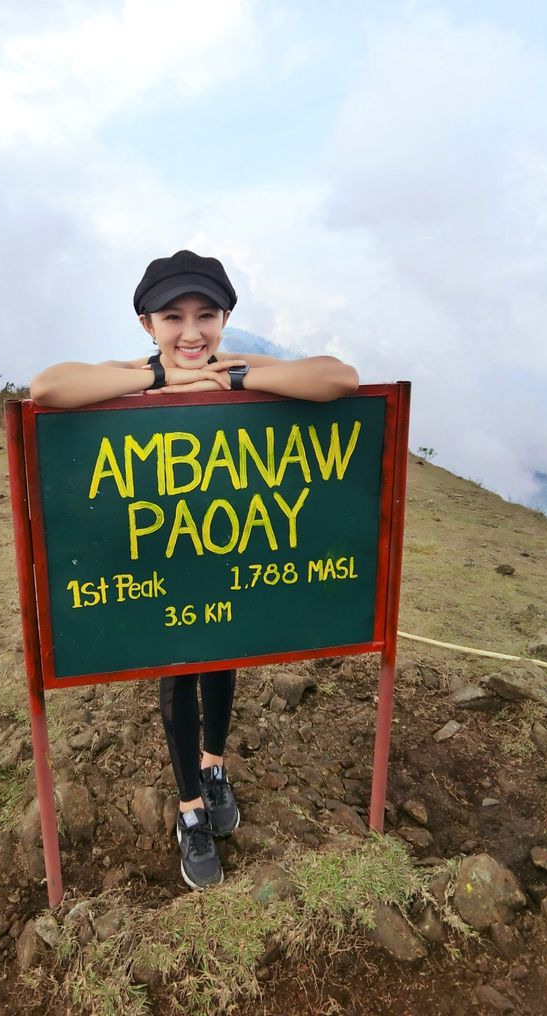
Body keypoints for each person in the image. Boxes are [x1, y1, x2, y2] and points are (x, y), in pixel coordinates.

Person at [30, 250, 359, 890]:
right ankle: (189, 807)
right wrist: (155, 382)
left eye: (205, 315)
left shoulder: (236, 364)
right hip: (161, 552)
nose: (191, 332)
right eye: (172, 316)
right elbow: (48, 388)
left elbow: (339, 378)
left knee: (221, 654)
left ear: (226, 316)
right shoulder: (137, 368)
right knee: (178, 666)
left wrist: (234, 382)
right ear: (146, 323)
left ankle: (215, 764)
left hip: (223, 545)